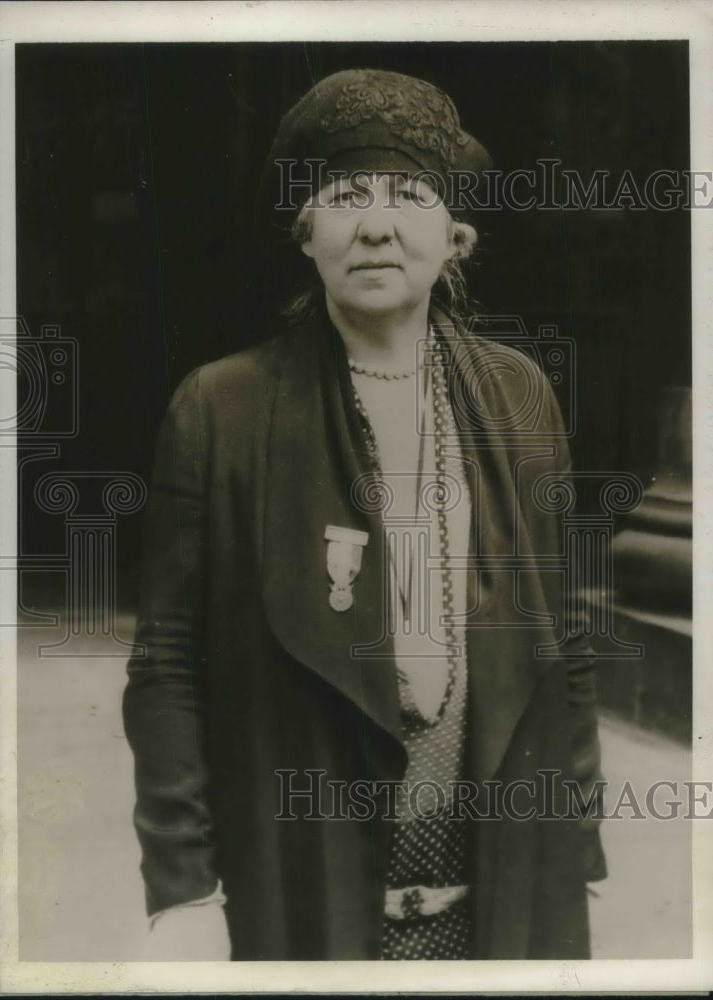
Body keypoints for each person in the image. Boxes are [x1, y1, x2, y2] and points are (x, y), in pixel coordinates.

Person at [123, 68, 606, 961]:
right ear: (305, 232)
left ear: (454, 235)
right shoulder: (222, 408)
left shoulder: (519, 395)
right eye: (345, 195)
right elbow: (168, 664)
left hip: (503, 886)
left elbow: (564, 640)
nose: (376, 223)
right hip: (311, 886)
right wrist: (183, 890)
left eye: (409, 196)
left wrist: (575, 846)